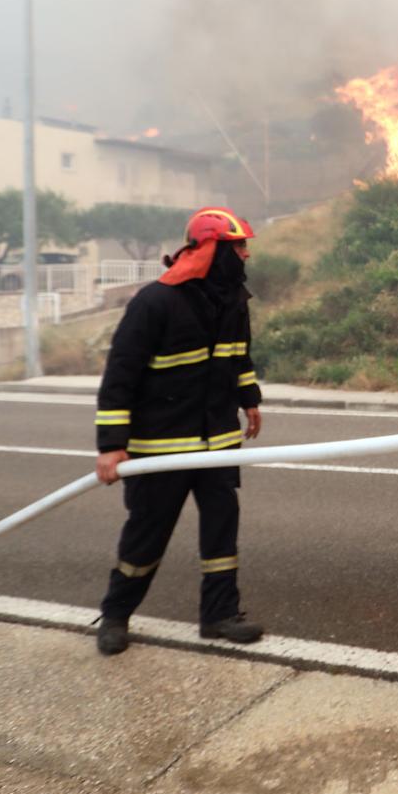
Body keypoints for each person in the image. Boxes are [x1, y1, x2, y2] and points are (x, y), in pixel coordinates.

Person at [92, 206, 267, 656]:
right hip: (161, 448)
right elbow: (120, 375)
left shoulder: (233, 298)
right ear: (213, 249)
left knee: (221, 533)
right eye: (239, 246)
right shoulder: (155, 301)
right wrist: (111, 446)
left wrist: (249, 400)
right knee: (146, 536)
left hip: (218, 444)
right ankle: (115, 615)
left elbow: (237, 356)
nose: (246, 254)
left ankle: (219, 616)